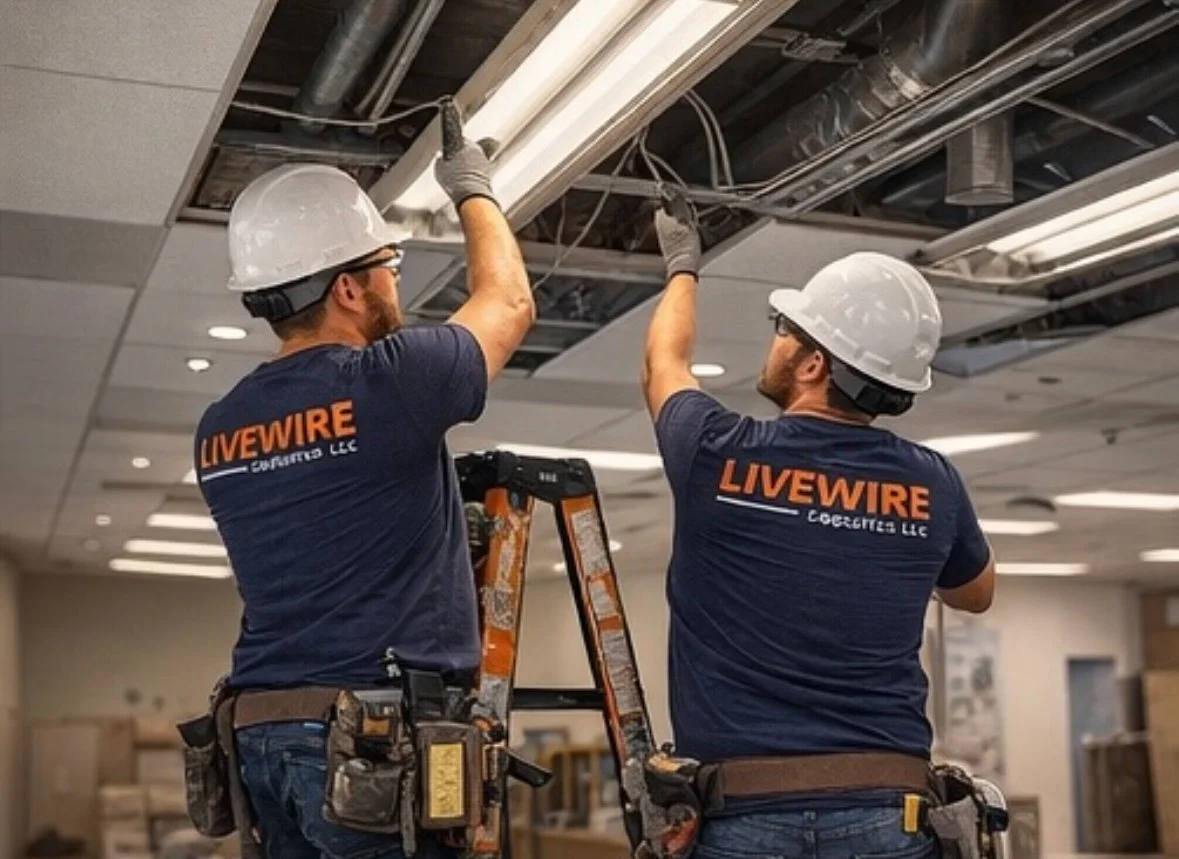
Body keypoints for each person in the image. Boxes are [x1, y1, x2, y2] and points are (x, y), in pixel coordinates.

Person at [193, 127, 534, 859]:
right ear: (348, 286)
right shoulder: (385, 381)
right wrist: (471, 184)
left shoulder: (219, 429)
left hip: (261, 737)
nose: (395, 282)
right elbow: (507, 302)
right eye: (389, 265)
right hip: (365, 745)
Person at [642, 195, 996, 859]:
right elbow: (974, 593)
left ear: (813, 364)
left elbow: (662, 364)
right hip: (887, 811)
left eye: (785, 328)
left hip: (744, 812)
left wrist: (682, 267)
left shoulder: (717, 452)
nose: (774, 339)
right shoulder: (934, 481)